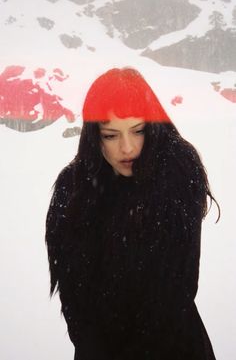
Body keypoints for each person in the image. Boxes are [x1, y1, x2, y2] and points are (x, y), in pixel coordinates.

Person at [45, 67, 219, 360]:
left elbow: (175, 291)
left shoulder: (176, 173)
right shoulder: (73, 189)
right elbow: (74, 297)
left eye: (138, 131)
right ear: (93, 137)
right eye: (111, 135)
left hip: (172, 348)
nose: (127, 148)